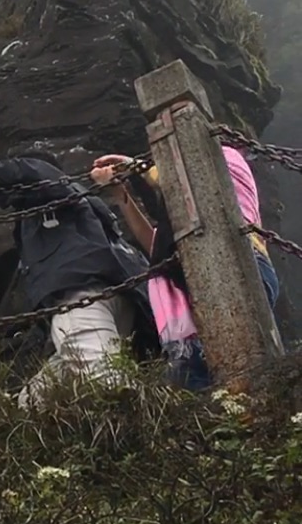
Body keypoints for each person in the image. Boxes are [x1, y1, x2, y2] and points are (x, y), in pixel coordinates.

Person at [0, 150, 138, 402]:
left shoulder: (52, 188)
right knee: (52, 384)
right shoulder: (84, 206)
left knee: (104, 380)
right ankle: (17, 410)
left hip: (80, 295)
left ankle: (150, 433)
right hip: (118, 297)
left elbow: (33, 168)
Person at [91, 145, 279, 390]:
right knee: (200, 382)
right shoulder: (182, 226)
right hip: (208, 278)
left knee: (240, 374)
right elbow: (156, 246)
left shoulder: (223, 156)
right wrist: (120, 194)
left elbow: (193, 182)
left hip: (235, 265)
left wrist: (136, 166)